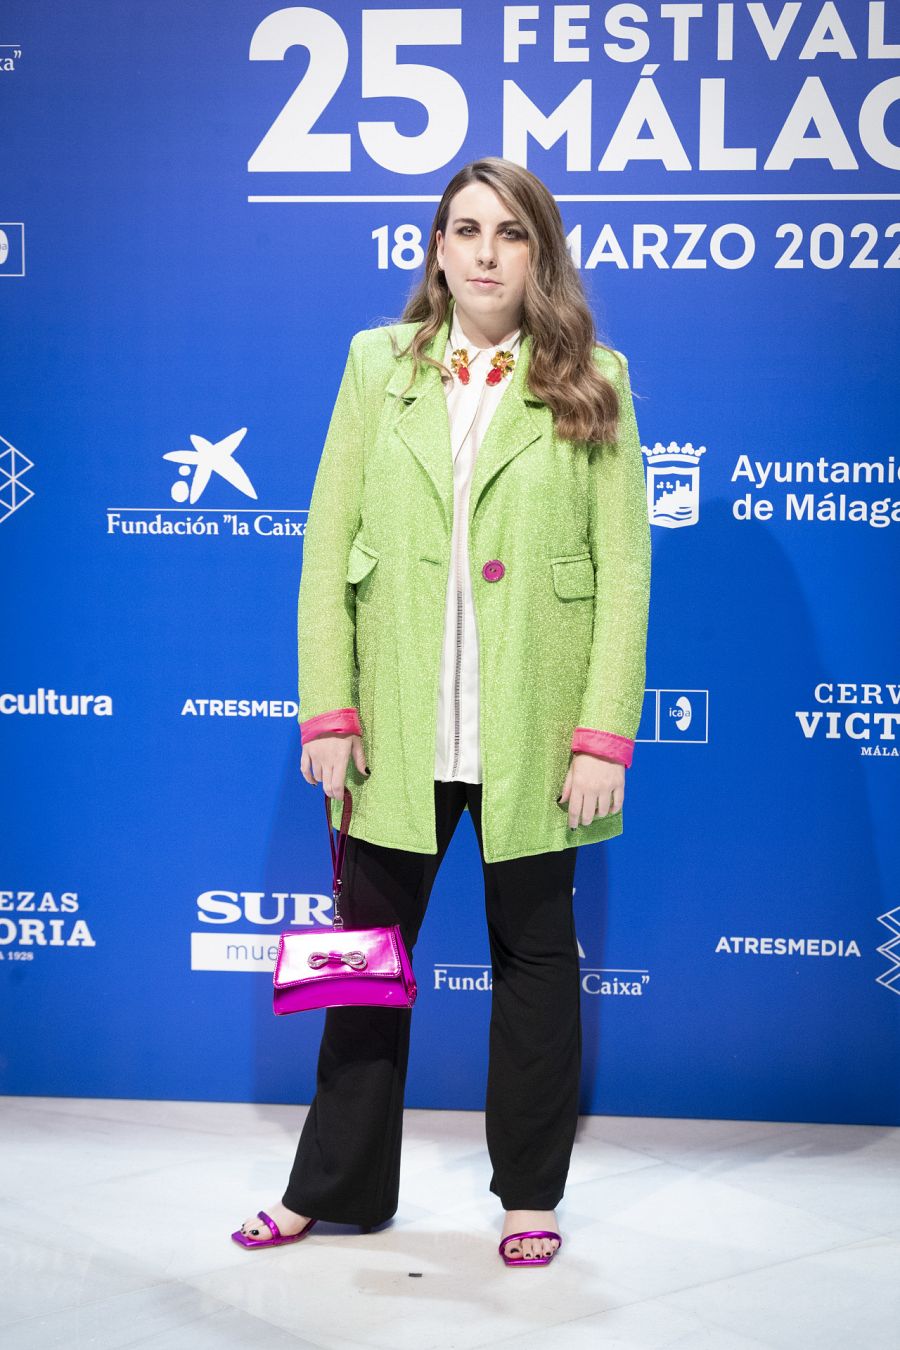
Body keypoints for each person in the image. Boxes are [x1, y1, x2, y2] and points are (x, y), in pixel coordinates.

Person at [234, 157, 651, 1265]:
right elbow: (329, 542)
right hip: (398, 726)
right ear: (435, 248)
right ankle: (336, 1188)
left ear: (539, 253)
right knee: (367, 964)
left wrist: (602, 733)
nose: (482, 252)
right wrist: (329, 709)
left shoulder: (592, 375)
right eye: (464, 230)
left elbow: (624, 569)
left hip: (531, 730)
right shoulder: (380, 364)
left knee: (535, 967)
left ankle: (529, 1199)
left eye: (508, 233)